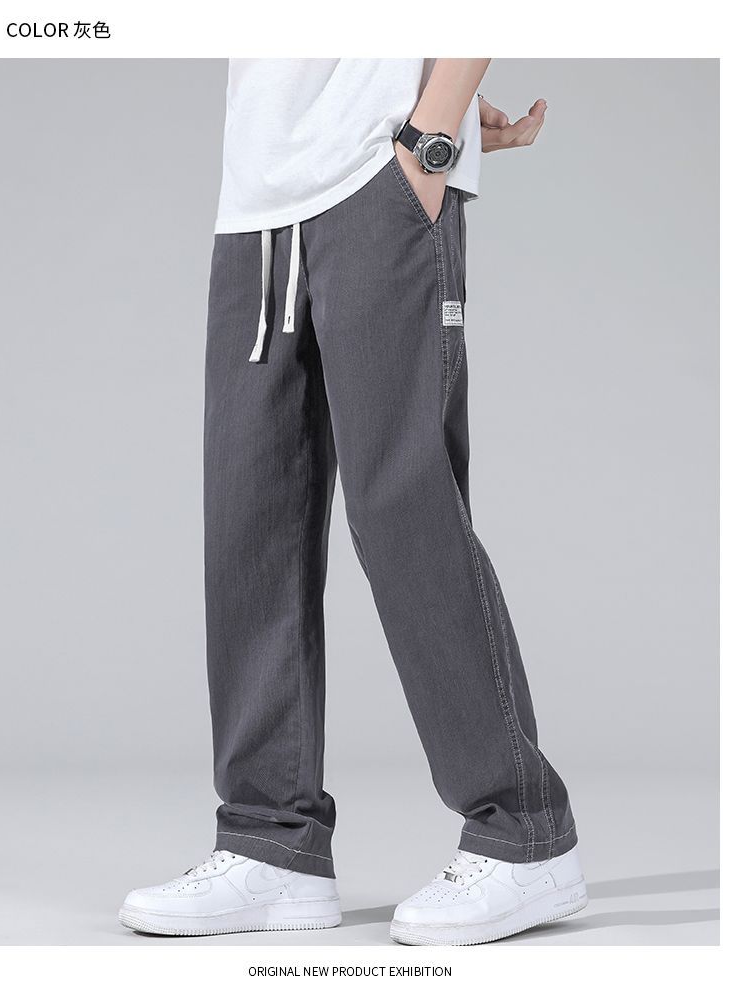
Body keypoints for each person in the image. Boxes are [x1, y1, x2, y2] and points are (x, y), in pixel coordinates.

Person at [119, 58, 587, 946]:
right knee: (250, 518)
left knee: (402, 504)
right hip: (257, 195)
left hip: (380, 169)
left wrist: (433, 127)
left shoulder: (404, 156)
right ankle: (271, 841)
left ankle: (524, 829)